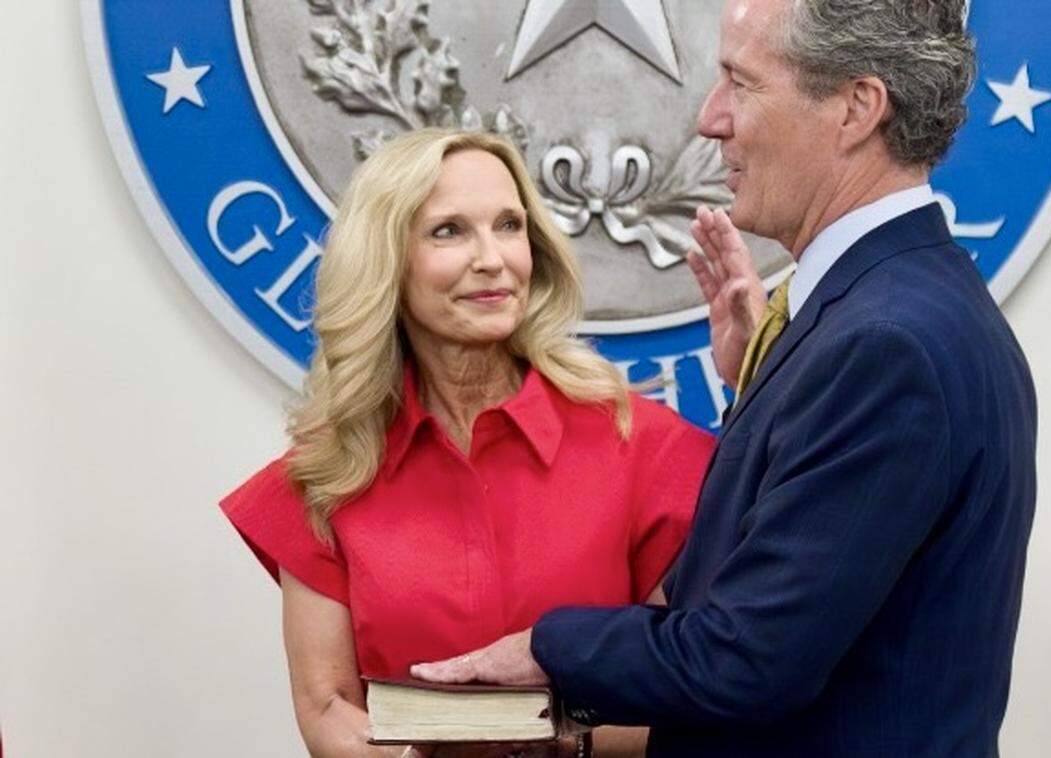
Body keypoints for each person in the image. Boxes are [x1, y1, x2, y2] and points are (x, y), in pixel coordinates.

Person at [411, 1, 1038, 756]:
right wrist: (763, 380)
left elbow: (748, 660)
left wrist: (547, 648)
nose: (711, 119)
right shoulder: (892, 309)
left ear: (855, 108)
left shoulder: (883, 344)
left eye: (741, 83)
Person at [220, 129, 714, 757]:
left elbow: (694, 689)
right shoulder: (326, 474)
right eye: (449, 231)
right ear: (386, 261)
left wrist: (562, 745)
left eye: (509, 226)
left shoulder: (646, 447)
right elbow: (327, 706)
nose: (492, 259)